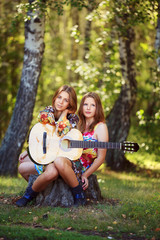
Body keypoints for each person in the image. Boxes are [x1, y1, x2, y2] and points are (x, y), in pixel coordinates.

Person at [16, 85, 86, 207]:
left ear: (70, 104)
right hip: (49, 156)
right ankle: (38, 192)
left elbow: (61, 131)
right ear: (55, 97)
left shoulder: (73, 118)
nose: (61, 101)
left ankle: (78, 194)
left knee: (53, 171)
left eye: (66, 100)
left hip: (66, 159)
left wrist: (64, 114)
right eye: (59, 97)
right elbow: (43, 132)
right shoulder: (48, 111)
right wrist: (29, 151)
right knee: (23, 167)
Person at [78, 92, 109, 191]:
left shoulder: (100, 127)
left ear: (97, 108)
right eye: (85, 104)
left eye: (93, 105)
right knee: (29, 156)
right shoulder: (78, 124)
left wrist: (85, 175)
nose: (88, 108)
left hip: (82, 167)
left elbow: (101, 157)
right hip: (69, 160)